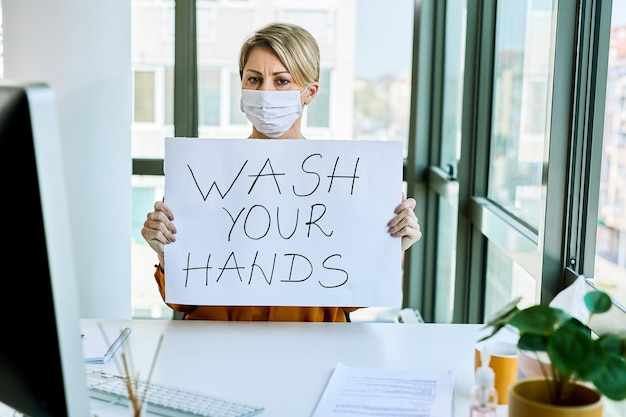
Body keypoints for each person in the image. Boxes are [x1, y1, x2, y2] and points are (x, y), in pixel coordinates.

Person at [141, 22, 422, 322]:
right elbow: (184, 303)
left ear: (310, 92)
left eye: (282, 81)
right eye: (254, 79)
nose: (265, 92)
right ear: (242, 86)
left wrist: (388, 248)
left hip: (311, 353)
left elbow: (350, 301)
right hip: (217, 352)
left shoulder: (342, 181)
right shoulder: (202, 178)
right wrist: (165, 254)